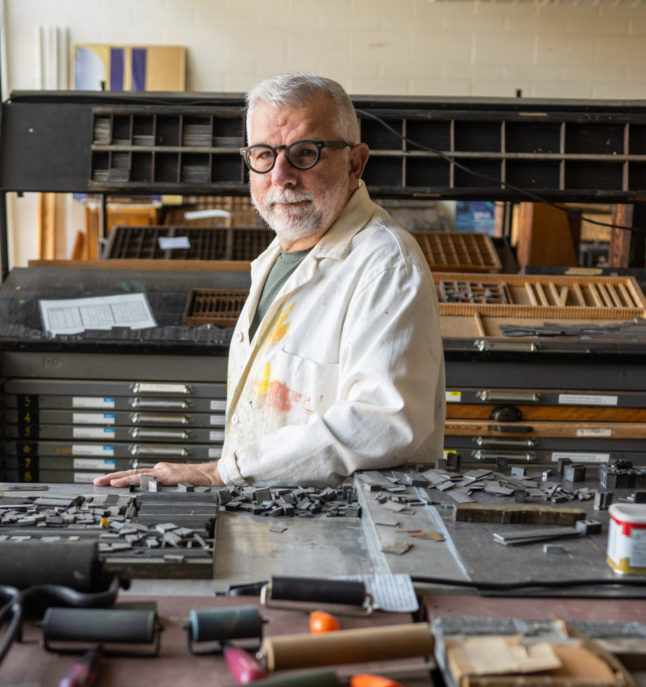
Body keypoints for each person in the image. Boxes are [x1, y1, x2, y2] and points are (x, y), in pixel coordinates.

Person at [94, 72, 445, 489]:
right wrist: (234, 473)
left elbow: (383, 421)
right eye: (263, 154)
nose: (280, 176)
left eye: (304, 153)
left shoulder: (385, 265)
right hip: (273, 521)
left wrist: (221, 472)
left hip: (342, 533)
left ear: (355, 162)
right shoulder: (279, 253)